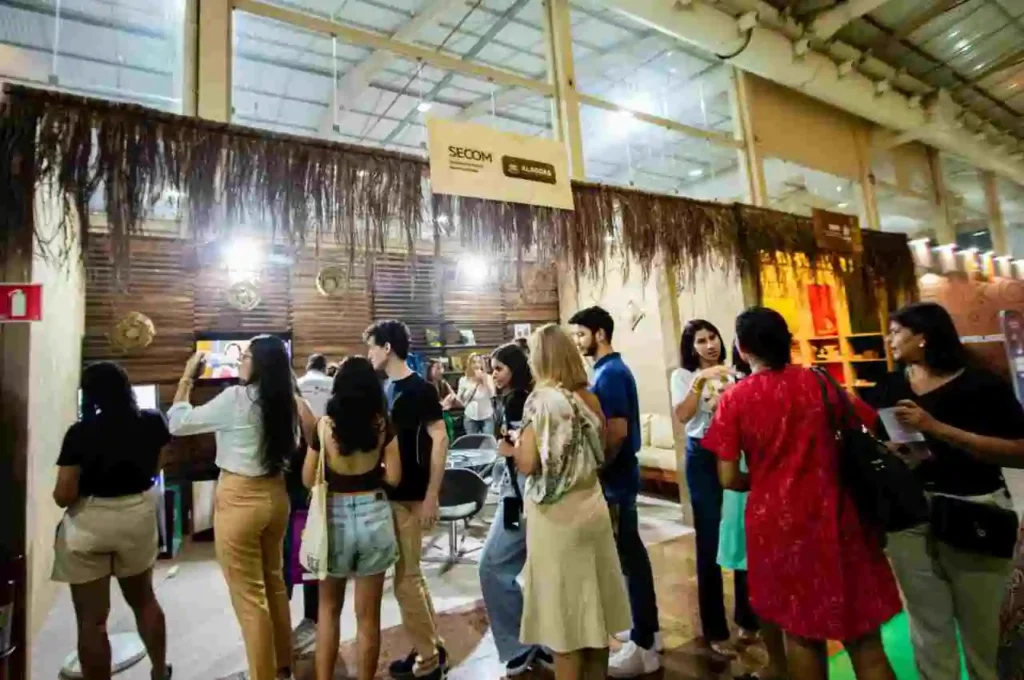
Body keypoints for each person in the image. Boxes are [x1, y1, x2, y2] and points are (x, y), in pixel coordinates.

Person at [703, 307, 899, 680]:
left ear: (742, 350)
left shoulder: (735, 399)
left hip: (777, 527)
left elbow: (728, 477)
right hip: (841, 517)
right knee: (865, 641)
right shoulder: (821, 382)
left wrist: (765, 479)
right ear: (787, 342)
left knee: (802, 637)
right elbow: (870, 423)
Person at [877, 302, 1024, 680]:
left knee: (982, 633)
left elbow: (1020, 451)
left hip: (974, 512)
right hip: (910, 517)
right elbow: (885, 440)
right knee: (928, 632)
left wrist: (937, 428)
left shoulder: (981, 384)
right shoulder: (892, 384)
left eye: (896, 331)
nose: (889, 339)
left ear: (923, 336)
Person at [500, 323, 630, 680]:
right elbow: (600, 448)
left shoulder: (541, 400)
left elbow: (529, 462)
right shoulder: (588, 397)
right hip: (592, 506)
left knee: (564, 623)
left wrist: (510, 448)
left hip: (556, 517)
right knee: (593, 617)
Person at [168, 336, 301, 680]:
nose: (240, 361)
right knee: (273, 582)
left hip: (239, 499)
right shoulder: (288, 402)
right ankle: (282, 665)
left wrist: (186, 380)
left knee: (249, 595)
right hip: (276, 497)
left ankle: (263, 675)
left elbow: (178, 423)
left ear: (261, 364)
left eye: (245, 356)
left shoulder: (235, 398)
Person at [52, 362, 171, 680]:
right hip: (136, 516)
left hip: (89, 522)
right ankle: (160, 672)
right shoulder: (151, 421)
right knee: (144, 599)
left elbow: (64, 494)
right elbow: (159, 465)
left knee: (91, 620)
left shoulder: (80, 432)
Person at [568, 306, 661, 677]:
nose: (577, 342)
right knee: (627, 556)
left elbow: (617, 432)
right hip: (616, 480)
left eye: (580, 335)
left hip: (617, 481)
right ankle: (644, 630)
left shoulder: (612, 374)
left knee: (629, 557)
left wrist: (597, 467)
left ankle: (645, 641)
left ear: (600, 334)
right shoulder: (604, 372)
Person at [303, 357, 403, 680]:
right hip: (374, 514)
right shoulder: (382, 424)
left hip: (334, 518)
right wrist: (375, 476)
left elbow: (308, 478)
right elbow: (396, 477)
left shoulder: (324, 426)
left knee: (329, 610)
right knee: (368, 618)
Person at [364, 320, 450, 680]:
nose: (368, 354)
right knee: (411, 577)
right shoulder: (385, 389)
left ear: (387, 348)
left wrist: (432, 494)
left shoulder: (419, 389)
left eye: (371, 346)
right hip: (393, 491)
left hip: (413, 494)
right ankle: (429, 646)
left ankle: (428, 658)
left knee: (406, 580)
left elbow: (441, 440)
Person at [669, 320, 756, 656]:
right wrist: (701, 381)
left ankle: (749, 619)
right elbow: (683, 416)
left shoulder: (737, 372)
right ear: (691, 347)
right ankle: (715, 629)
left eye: (713, 338)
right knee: (709, 540)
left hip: (735, 453)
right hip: (702, 456)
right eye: (701, 341)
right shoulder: (683, 376)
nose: (709, 346)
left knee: (742, 532)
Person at [478, 343, 554, 677]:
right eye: (492, 369)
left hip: (525, 492)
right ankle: (534, 642)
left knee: (494, 566)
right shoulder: (511, 398)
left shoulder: (523, 400)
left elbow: (526, 454)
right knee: (510, 567)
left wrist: (509, 450)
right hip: (515, 492)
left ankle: (529, 644)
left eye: (499, 369)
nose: (494, 375)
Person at [454, 353, 495, 435]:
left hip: (486, 415)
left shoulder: (488, 378)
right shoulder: (463, 380)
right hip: (470, 416)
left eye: (479, 362)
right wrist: (473, 385)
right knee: (472, 443)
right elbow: (459, 398)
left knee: (487, 443)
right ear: (469, 364)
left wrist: (484, 382)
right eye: (474, 362)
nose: (477, 364)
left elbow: (492, 394)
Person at [297, 353, 334, 418]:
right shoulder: (332, 383)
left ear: (308, 367)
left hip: (304, 424)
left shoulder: (298, 383)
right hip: (324, 425)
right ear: (325, 368)